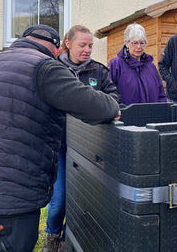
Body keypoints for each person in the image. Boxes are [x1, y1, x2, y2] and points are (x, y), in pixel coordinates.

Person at [0, 24, 120, 252]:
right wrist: (113, 107)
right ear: (57, 49)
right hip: (11, 203)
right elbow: (95, 106)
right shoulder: (44, 68)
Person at [43, 25, 121, 252]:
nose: (87, 50)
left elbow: (114, 95)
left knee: (85, 199)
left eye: (90, 46)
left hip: (90, 146)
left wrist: (96, 102)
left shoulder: (99, 71)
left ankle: (70, 237)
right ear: (68, 44)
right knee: (59, 201)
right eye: (82, 45)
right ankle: (51, 237)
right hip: (61, 146)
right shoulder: (53, 70)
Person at [108, 23, 166, 105]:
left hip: (152, 115)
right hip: (126, 116)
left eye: (142, 43)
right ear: (127, 44)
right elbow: (108, 94)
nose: (139, 47)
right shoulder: (116, 64)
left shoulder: (151, 66)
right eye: (135, 43)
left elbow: (161, 94)